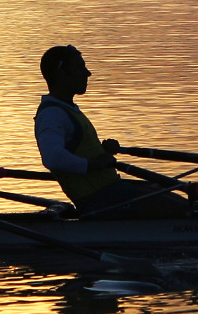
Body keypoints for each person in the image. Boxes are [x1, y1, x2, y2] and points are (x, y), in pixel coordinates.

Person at [35, 45, 188, 220]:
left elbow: (76, 150)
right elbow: (52, 158)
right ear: (61, 74)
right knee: (183, 210)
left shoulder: (66, 109)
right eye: (80, 67)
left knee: (170, 195)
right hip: (98, 199)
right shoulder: (51, 115)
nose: (87, 73)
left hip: (111, 190)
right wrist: (94, 163)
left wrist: (103, 151)